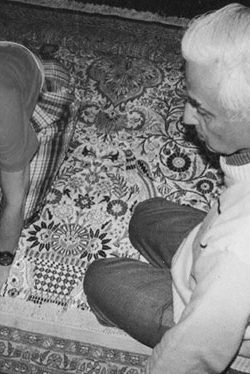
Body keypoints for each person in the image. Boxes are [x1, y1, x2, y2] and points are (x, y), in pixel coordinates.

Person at [84, 3, 250, 374]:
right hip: (214, 252)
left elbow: (192, 355)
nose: (187, 118)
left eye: (202, 109)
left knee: (100, 278)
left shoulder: (237, 251)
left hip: (211, 308)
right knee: (147, 213)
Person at [0, 42, 44, 282]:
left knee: (24, 200)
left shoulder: (3, 115)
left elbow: (14, 202)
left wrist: (3, 260)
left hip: (25, 64)